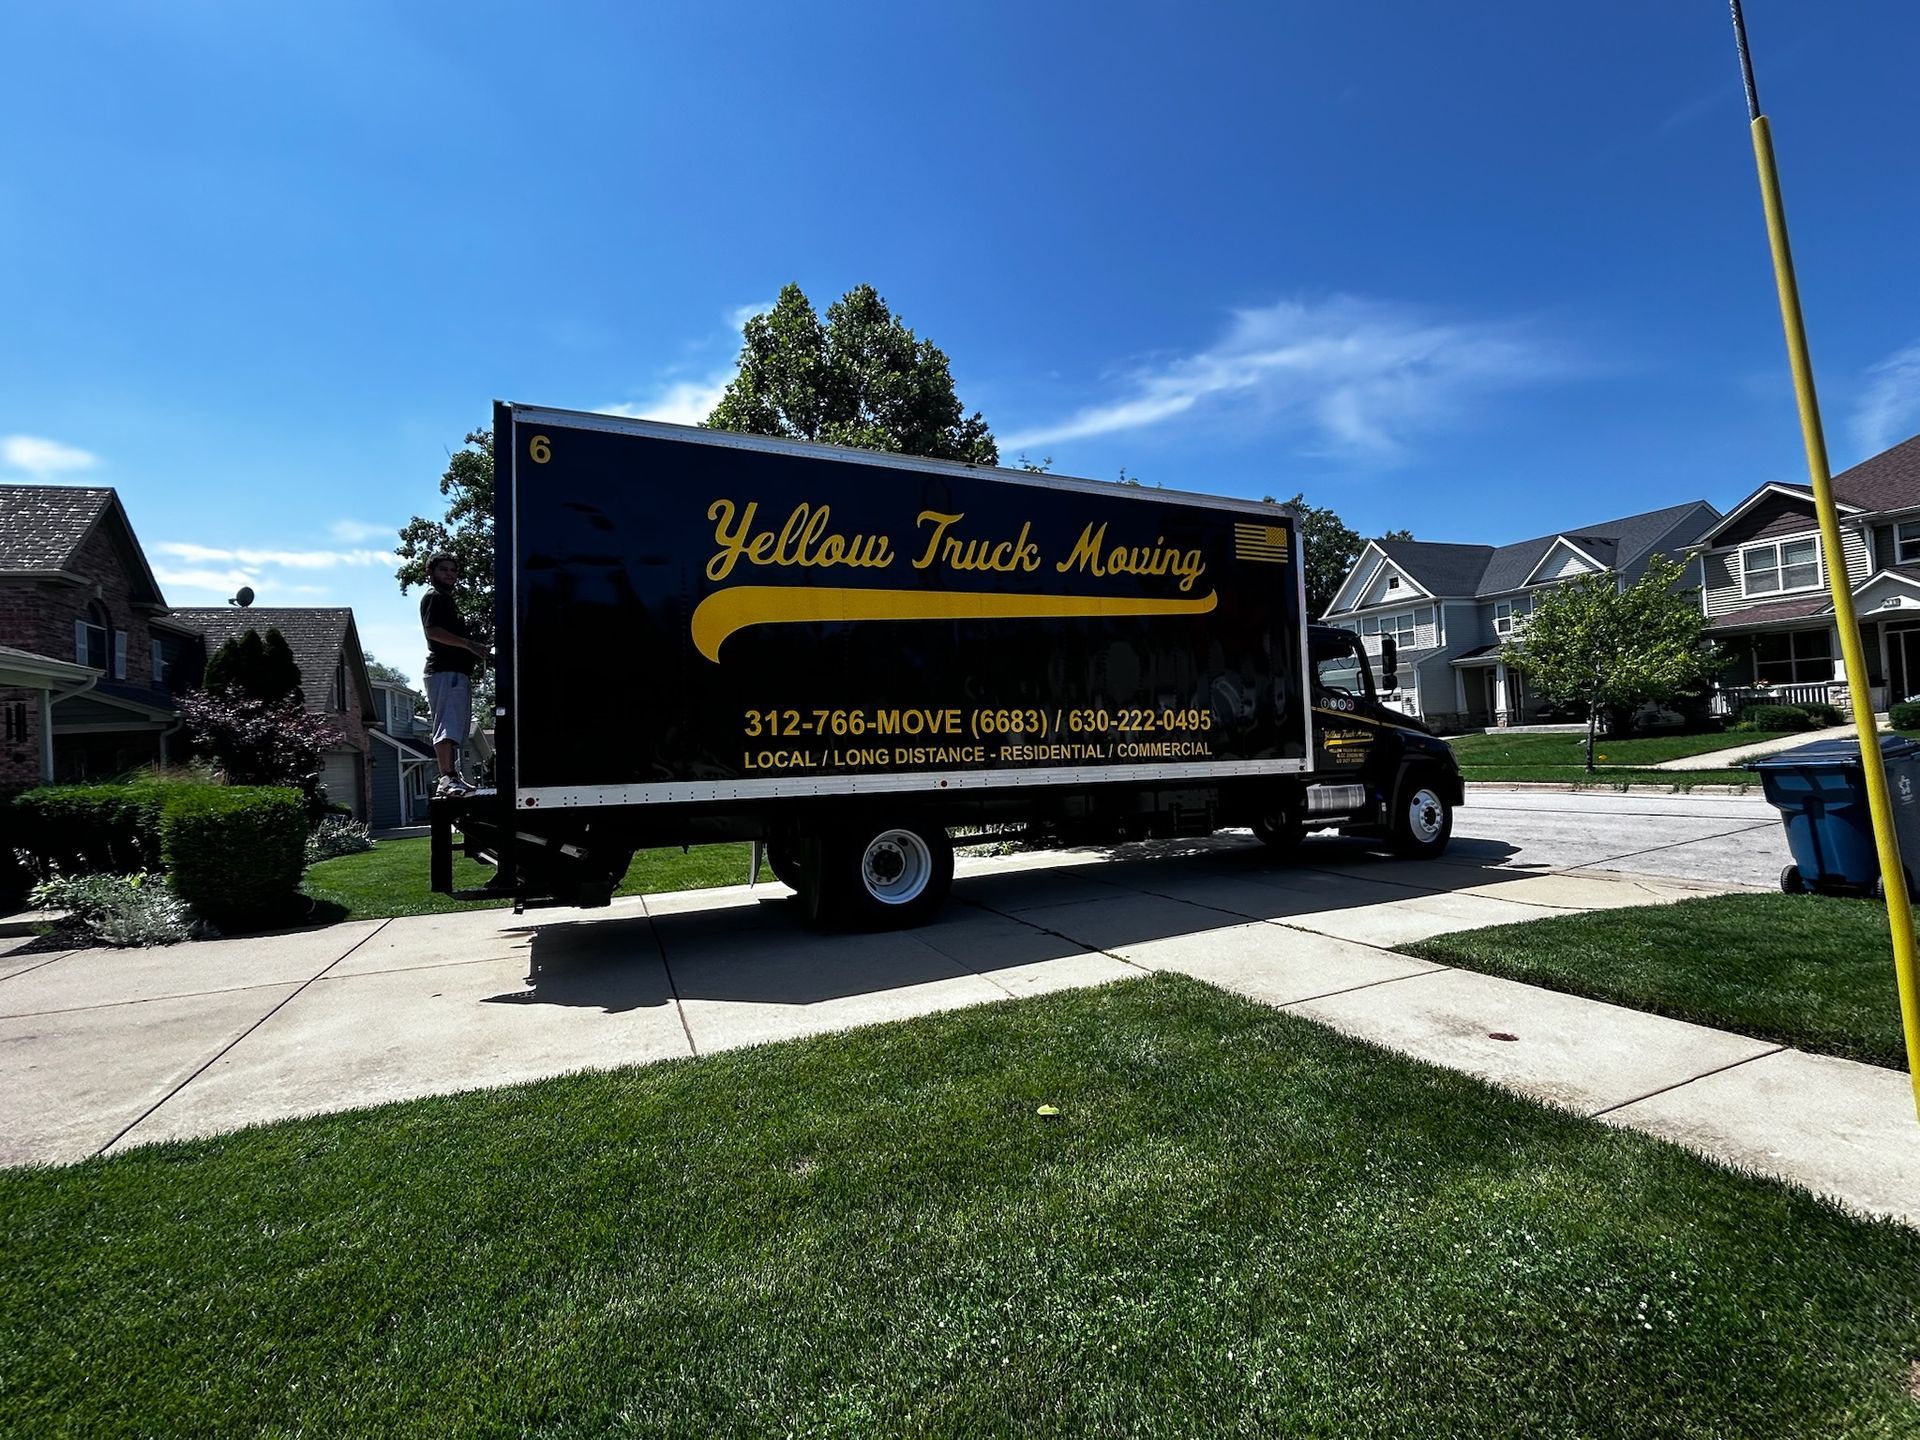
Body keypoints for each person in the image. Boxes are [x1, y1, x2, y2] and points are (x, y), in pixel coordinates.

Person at [419, 551, 488, 797]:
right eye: (443, 569)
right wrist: (468, 644)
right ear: (431, 573)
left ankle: (453, 777)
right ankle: (446, 779)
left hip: (457, 671)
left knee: (457, 726)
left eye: (453, 570)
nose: (449, 574)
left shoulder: (447, 599)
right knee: (446, 725)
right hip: (443, 670)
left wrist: (474, 647)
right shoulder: (434, 597)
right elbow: (433, 632)